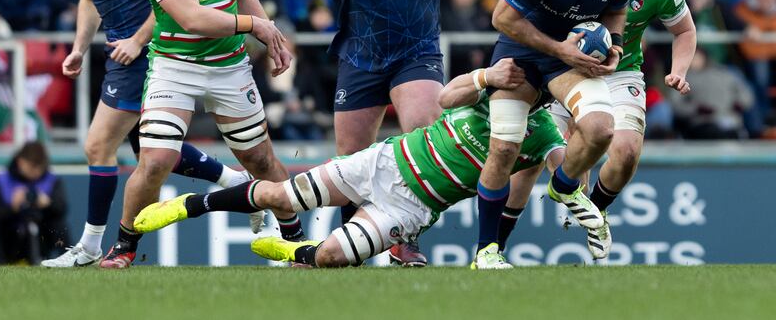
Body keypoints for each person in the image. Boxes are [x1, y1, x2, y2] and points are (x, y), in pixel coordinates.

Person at [132, 59, 565, 269]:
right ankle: (191, 205)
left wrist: (582, 150)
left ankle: (291, 250)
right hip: (386, 162)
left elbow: (567, 166)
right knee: (279, 194)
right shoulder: (498, 86)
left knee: (331, 259)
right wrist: (487, 76)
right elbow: (445, 98)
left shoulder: (544, 130)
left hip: (410, 209)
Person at [281, 0, 501, 266]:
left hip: (416, 54)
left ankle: (405, 240)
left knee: (422, 134)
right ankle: (350, 247)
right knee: (350, 159)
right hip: (360, 56)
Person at [42, 0, 260, 269]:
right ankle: (233, 180)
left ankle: (91, 245)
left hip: (147, 54)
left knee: (98, 146)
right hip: (118, 53)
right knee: (152, 150)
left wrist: (137, 41)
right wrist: (78, 48)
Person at [99, 0, 302, 269]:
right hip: (175, 65)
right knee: (155, 160)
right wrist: (257, 25)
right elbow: (192, 17)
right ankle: (123, 244)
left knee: (261, 160)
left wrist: (271, 37)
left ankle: (298, 240)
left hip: (230, 66)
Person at [489, 0, 696, 259]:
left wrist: (679, 70)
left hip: (619, 70)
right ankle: (494, 247)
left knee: (627, 150)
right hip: (563, 62)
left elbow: (685, 30)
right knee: (528, 162)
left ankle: (595, 212)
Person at [472, 0, 640, 269]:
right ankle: (486, 251)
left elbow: (617, 8)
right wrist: (558, 50)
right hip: (521, 51)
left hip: (571, 56)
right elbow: (501, 18)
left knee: (600, 129)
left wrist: (614, 43)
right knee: (504, 149)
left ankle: (563, 186)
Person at [0, 142, 69, 265]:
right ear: (20, 162)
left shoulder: (51, 179)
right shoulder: (3, 180)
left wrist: (48, 204)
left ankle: (67, 260)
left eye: (39, 168)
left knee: (59, 224)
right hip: (11, 237)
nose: (35, 173)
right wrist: (12, 207)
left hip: (41, 236)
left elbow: (62, 209)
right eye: (32, 167)